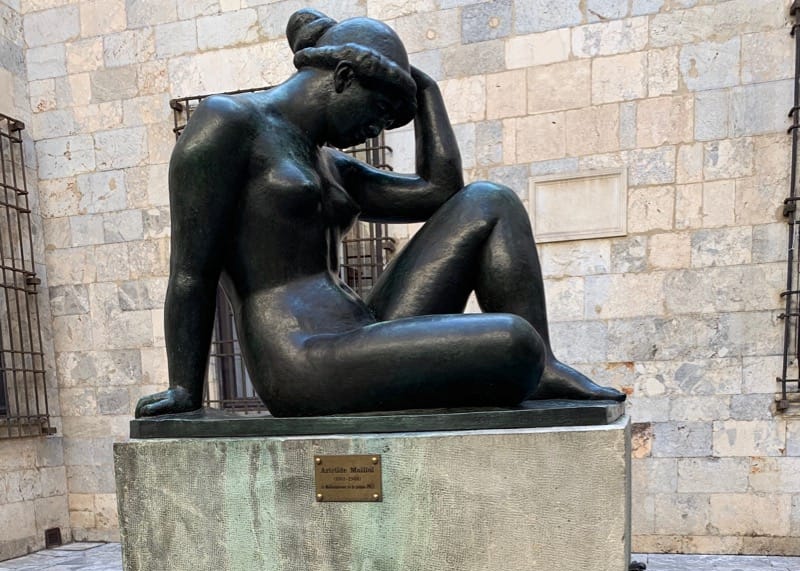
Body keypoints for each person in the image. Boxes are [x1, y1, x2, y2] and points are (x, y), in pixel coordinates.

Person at [135, 8, 623, 419]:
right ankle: (534, 363)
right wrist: (184, 389)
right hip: (300, 358)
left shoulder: (328, 162)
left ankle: (546, 368)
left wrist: (424, 90)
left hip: (361, 328)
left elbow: (440, 191)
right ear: (345, 77)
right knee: (514, 343)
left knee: (490, 201)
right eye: (382, 111)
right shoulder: (229, 123)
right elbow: (190, 273)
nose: (377, 128)